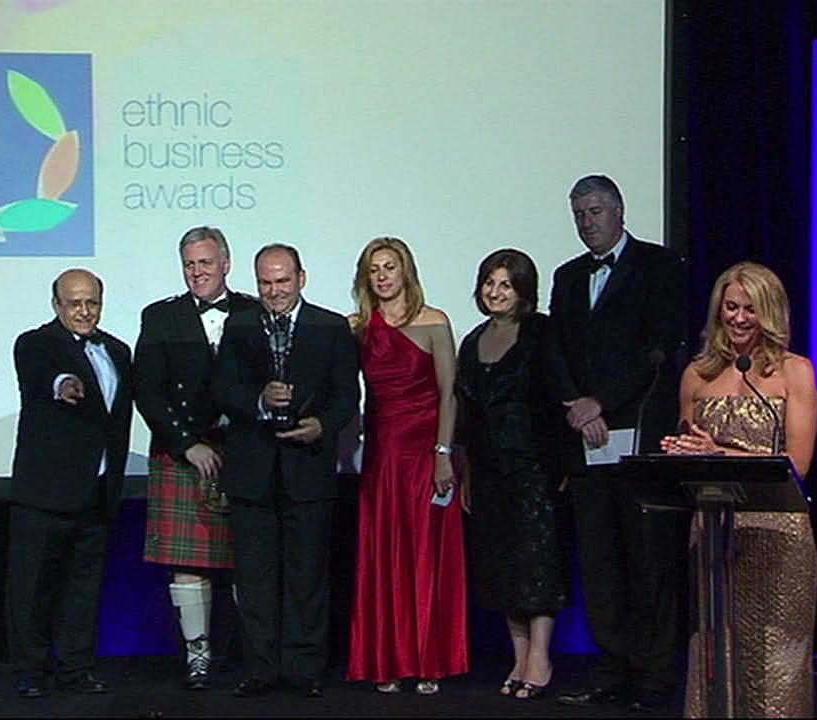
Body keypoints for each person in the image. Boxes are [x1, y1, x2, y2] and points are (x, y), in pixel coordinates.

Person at [544, 174, 688, 711]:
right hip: (584, 440)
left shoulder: (659, 266)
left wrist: (601, 402)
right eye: (579, 214)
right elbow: (555, 350)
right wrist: (577, 408)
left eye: (595, 211)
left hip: (638, 434)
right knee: (599, 563)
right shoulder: (567, 276)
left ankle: (654, 674)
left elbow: (659, 348)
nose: (587, 223)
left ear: (619, 210)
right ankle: (611, 668)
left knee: (648, 560)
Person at [660, 260, 817, 718]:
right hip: (714, 534)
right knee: (714, 654)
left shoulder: (795, 372)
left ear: (770, 313)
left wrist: (719, 453)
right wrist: (680, 455)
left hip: (778, 534)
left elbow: (797, 465)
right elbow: (691, 453)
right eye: (731, 307)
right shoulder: (697, 375)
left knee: (775, 662)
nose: (739, 318)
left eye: (751, 309)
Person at [212, 244, 360, 699]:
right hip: (253, 470)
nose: (274, 291)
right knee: (255, 579)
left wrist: (322, 426)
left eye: (282, 281)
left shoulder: (331, 327)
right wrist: (258, 400)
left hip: (308, 467)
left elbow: (347, 396)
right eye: (265, 283)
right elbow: (223, 389)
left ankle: (304, 667)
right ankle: (260, 668)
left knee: (307, 576)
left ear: (301, 278)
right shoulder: (238, 325)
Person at [133, 226, 260, 690]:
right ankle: (198, 656)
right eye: (189, 264)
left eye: (205, 263)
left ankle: (256, 655)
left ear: (226, 264)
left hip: (246, 452)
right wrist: (187, 443)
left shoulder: (254, 311)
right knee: (188, 562)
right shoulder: (160, 317)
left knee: (252, 556)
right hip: (184, 450)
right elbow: (147, 390)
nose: (197, 272)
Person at [344, 236, 468, 696]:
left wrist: (443, 455)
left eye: (389, 267)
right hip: (381, 458)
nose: (382, 276)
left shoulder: (434, 321)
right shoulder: (357, 327)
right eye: (374, 269)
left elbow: (448, 395)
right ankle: (388, 660)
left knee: (425, 556)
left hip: (426, 456)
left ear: (406, 271)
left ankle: (429, 660)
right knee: (384, 559)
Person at [6, 268, 133, 698]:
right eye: (74, 303)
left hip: (97, 493)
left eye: (91, 302)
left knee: (84, 588)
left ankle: (77, 669)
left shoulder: (117, 351)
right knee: (33, 588)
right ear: (56, 305)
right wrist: (63, 384)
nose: (84, 311)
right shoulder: (35, 344)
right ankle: (30, 670)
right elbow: (43, 377)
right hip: (45, 495)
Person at [454, 248, 569, 700]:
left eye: (505, 284)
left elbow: (557, 397)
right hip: (488, 470)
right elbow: (467, 415)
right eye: (489, 283)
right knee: (501, 564)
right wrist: (465, 469)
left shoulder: (541, 332)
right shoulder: (472, 341)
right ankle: (519, 657)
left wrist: (563, 462)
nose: (495, 292)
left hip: (534, 467)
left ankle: (540, 657)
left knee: (537, 563)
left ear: (523, 290)